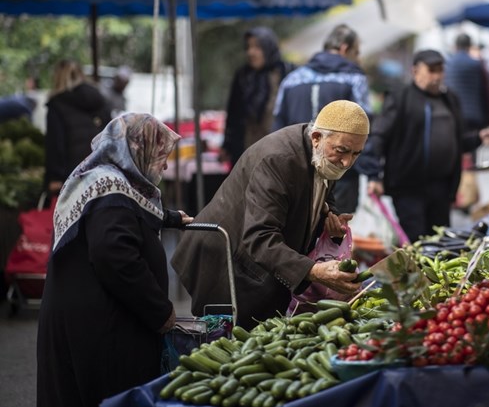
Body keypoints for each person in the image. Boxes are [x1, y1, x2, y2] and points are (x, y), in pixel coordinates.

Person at [36, 113, 192, 407]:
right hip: (98, 332)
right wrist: (160, 313)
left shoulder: (102, 179)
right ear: (137, 149)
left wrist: (170, 218)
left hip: (84, 320)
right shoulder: (110, 187)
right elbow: (116, 257)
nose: (166, 164)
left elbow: (129, 212)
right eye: (161, 155)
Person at [172, 100, 369, 330]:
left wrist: (329, 215)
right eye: (343, 151)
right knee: (229, 341)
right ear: (316, 138)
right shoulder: (278, 160)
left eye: (357, 154)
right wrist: (313, 271)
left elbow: (322, 188)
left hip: (259, 263)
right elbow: (259, 237)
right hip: (226, 260)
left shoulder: (323, 153)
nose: (348, 162)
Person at [364, 50, 489, 243]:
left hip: (442, 188)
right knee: (417, 243)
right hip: (408, 188)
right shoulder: (401, 98)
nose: (437, 76)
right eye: (431, 70)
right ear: (415, 71)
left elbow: (458, 141)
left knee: (440, 242)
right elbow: (378, 135)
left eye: (440, 70)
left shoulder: (450, 98)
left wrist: (478, 137)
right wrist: (373, 175)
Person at [273, 24, 372, 214]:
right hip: (341, 174)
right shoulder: (353, 78)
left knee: (297, 228)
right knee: (335, 232)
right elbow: (366, 127)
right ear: (344, 49)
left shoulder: (292, 79)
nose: (358, 59)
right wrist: (372, 172)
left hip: (296, 169)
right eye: (356, 52)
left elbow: (277, 126)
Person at [221, 26, 294, 166]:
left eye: (257, 47)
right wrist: (227, 144)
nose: (251, 52)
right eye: (248, 47)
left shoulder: (285, 71)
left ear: (268, 48)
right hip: (246, 148)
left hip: (278, 147)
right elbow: (233, 113)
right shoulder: (243, 76)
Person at [44, 59, 112, 195]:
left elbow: (55, 144)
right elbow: (112, 137)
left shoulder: (57, 105)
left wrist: (55, 177)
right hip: (102, 174)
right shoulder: (100, 100)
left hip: (72, 178)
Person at [444, 33, 489, 148]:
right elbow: (487, 93)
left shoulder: (448, 64)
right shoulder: (477, 64)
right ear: (469, 46)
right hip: (474, 116)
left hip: (452, 114)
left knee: (456, 147)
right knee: (472, 147)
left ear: (455, 46)